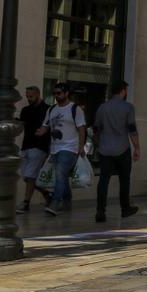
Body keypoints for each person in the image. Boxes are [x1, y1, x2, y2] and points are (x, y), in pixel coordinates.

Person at [92, 80, 141, 222]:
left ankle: (100, 211)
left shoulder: (102, 108)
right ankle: (125, 208)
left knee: (103, 180)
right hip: (122, 148)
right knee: (124, 180)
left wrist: (98, 144)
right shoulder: (128, 107)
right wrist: (137, 147)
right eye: (126, 90)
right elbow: (132, 129)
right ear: (123, 90)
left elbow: (96, 129)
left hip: (105, 149)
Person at [36, 83, 86, 216]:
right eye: (54, 93)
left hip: (70, 148)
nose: (56, 96)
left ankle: (55, 203)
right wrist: (41, 132)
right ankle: (67, 200)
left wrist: (81, 147)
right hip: (55, 149)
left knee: (59, 173)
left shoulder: (75, 109)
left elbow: (81, 129)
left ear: (66, 93)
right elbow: (45, 126)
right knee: (62, 176)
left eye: (59, 93)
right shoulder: (51, 109)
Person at [16, 86, 52, 214]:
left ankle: (26, 203)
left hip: (39, 147)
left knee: (30, 176)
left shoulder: (47, 109)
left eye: (31, 96)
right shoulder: (25, 110)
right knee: (27, 177)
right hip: (26, 146)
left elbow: (49, 128)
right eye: (27, 96)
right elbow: (22, 126)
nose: (28, 98)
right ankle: (46, 193)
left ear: (38, 94)